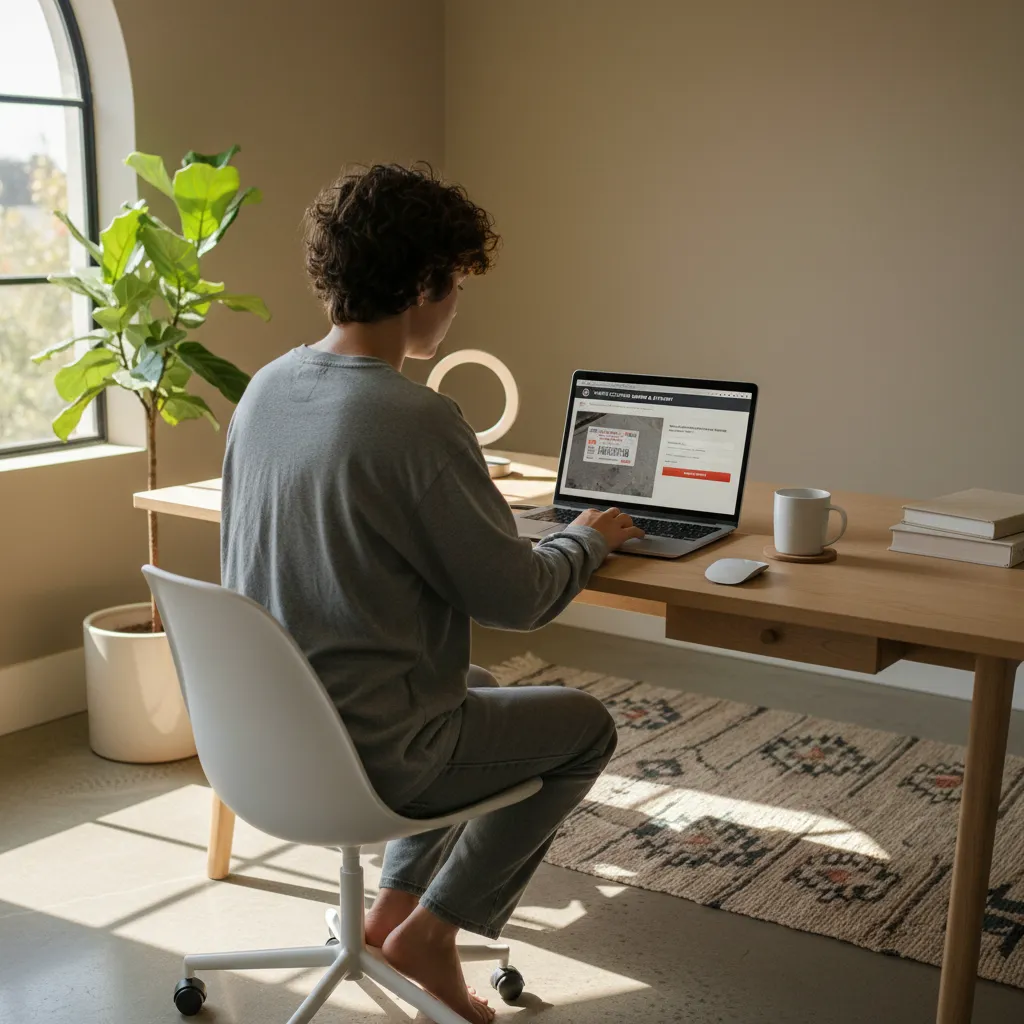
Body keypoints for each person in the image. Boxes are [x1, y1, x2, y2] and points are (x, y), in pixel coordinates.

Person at [220, 164, 643, 1023]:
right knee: (585, 728)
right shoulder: (414, 419)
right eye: (455, 285)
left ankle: (389, 910)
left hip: (264, 744)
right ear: (423, 284)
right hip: (377, 755)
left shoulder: (264, 389)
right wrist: (585, 540)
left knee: (476, 691)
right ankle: (436, 931)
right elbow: (518, 599)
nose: (456, 309)